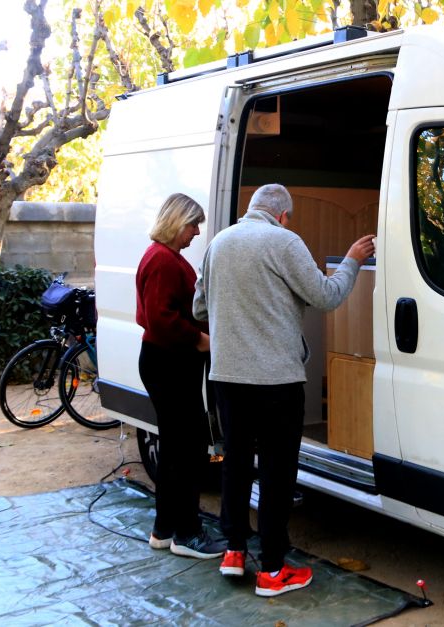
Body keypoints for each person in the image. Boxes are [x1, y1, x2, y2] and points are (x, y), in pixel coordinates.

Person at [193, 183, 375, 596]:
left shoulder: (219, 243)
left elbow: (199, 309)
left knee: (236, 464)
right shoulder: (284, 241)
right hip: (276, 381)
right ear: (284, 215)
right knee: (276, 472)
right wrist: (350, 260)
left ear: (252, 209)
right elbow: (326, 296)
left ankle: (235, 551)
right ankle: (273, 569)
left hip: (227, 377)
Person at [136, 193, 227, 560]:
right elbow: (160, 318)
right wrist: (198, 338)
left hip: (164, 361)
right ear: (178, 222)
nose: (196, 232)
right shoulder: (163, 260)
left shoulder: (163, 257)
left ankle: (164, 528)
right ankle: (187, 534)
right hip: (170, 362)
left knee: (175, 450)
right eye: (193, 224)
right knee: (187, 451)